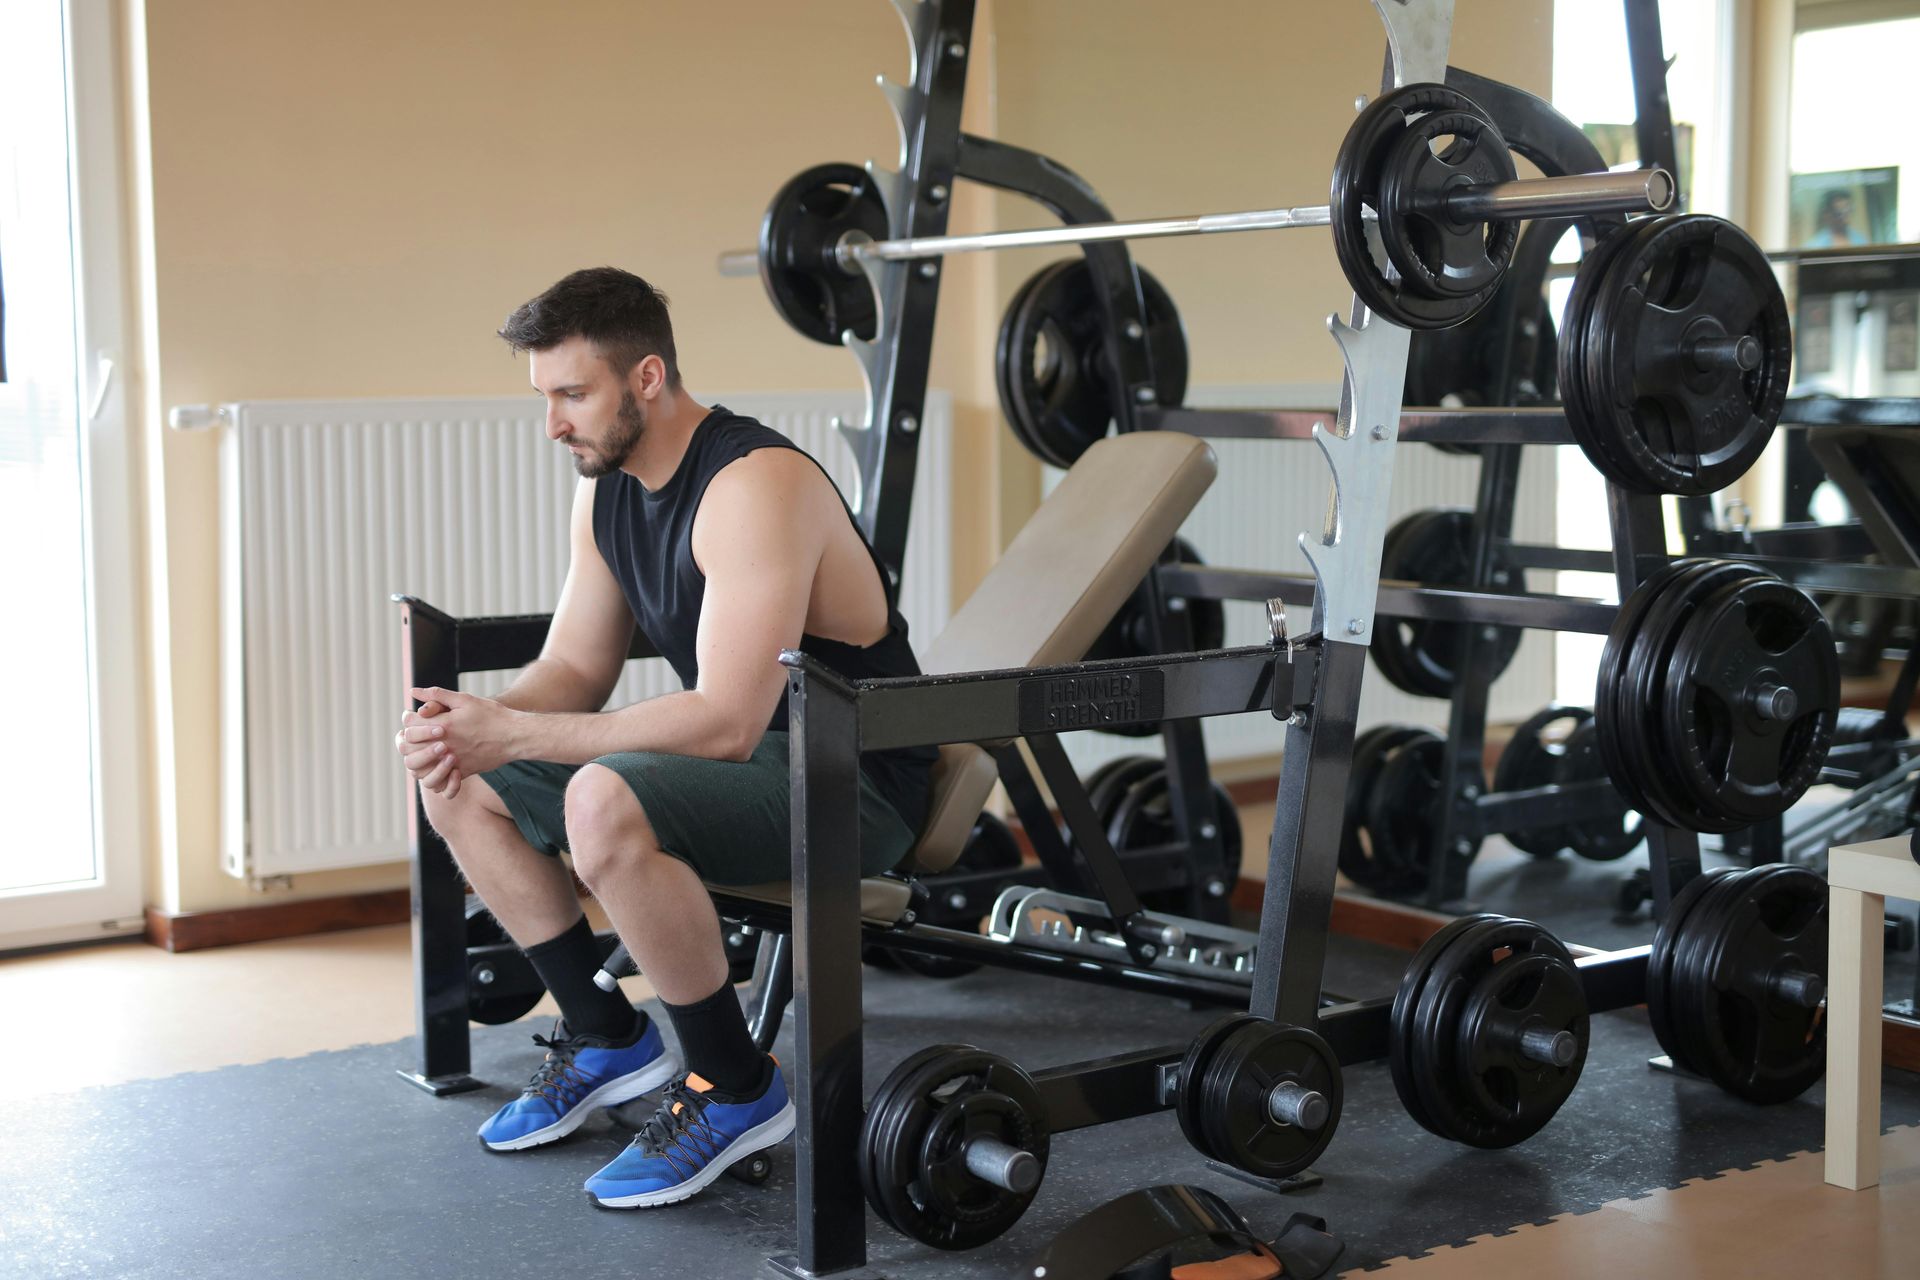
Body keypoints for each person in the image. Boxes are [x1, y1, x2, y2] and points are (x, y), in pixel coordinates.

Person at [392, 266, 936, 1208]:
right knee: (458, 777)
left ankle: (735, 1085)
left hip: (848, 773)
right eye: (544, 397)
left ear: (647, 377)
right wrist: (473, 727)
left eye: (572, 395)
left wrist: (517, 731)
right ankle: (604, 1035)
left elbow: (727, 720)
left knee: (600, 796)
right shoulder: (605, 492)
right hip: (750, 763)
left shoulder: (755, 483)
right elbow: (575, 666)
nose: (553, 424)